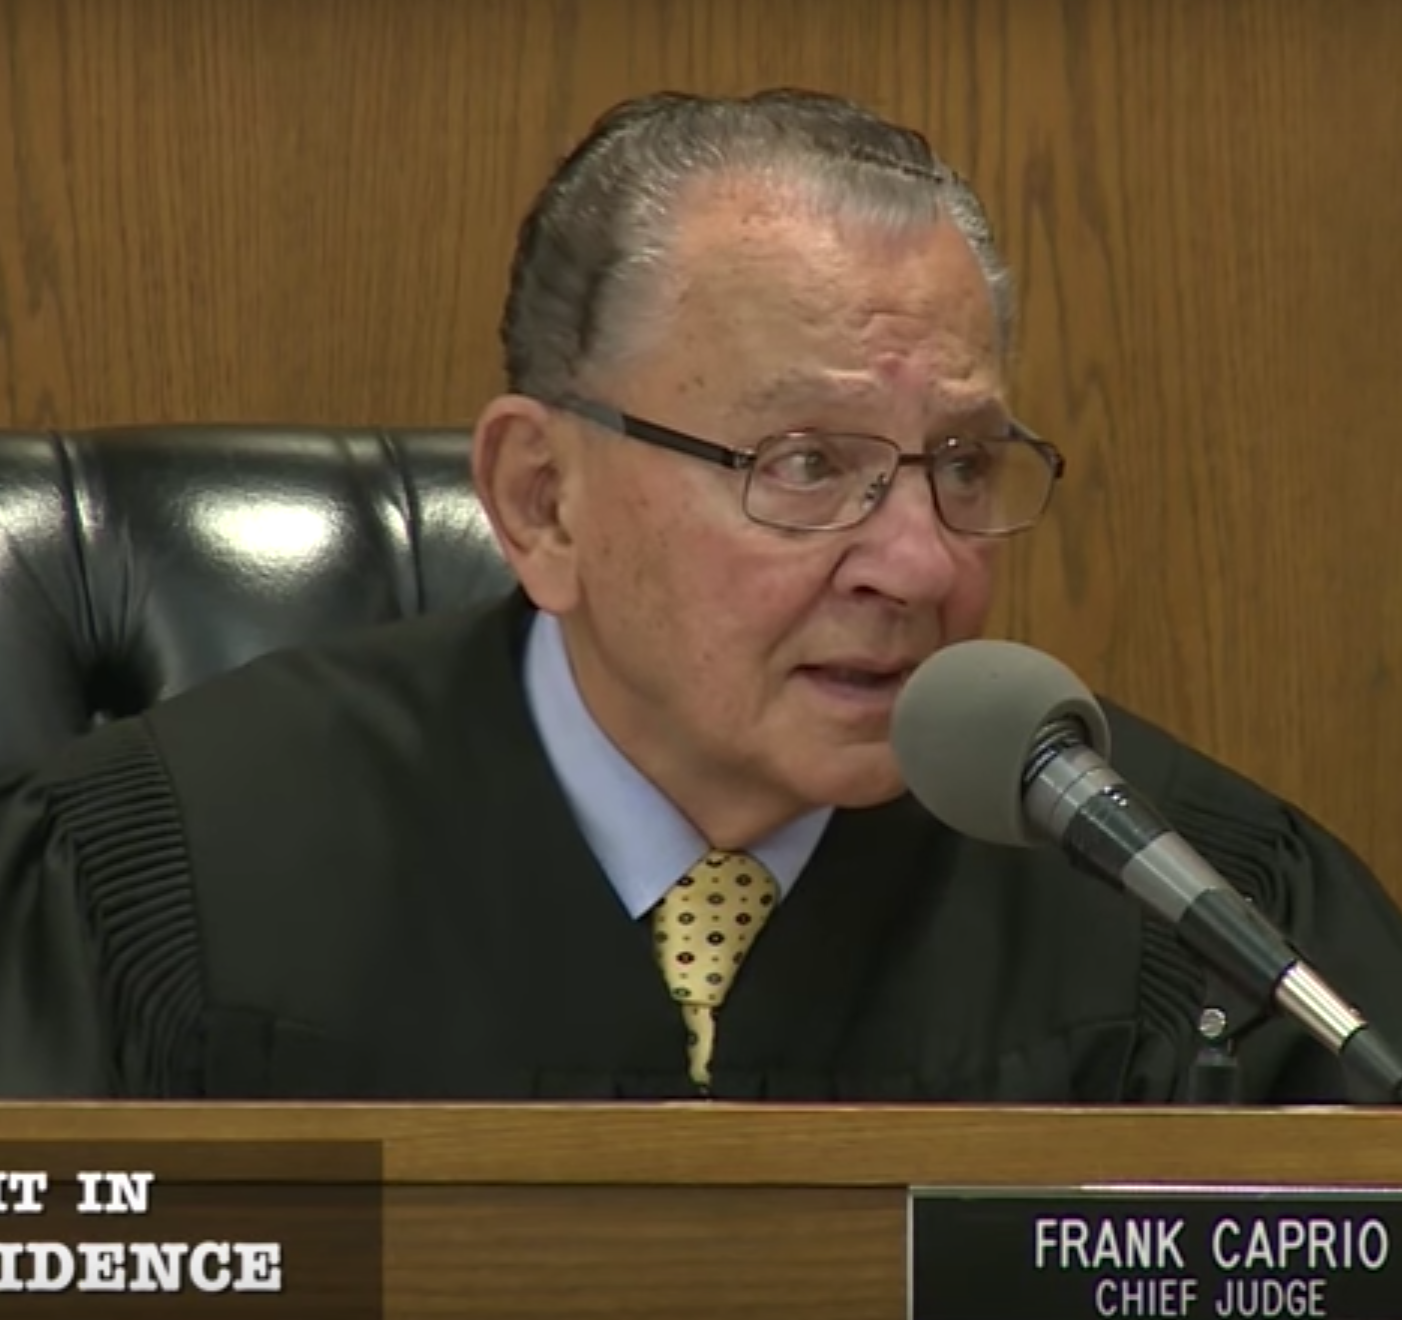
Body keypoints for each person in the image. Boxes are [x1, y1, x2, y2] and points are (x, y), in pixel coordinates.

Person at [1, 88, 1400, 1104]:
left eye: (964, 465)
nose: (919, 564)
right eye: (806, 464)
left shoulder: (1195, 925)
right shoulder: (153, 881)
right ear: (543, 500)